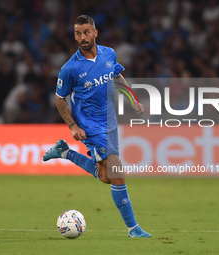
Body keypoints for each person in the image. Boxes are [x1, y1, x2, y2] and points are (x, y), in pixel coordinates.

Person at [43, 15, 151, 238]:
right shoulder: (70, 68)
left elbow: (117, 76)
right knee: (117, 172)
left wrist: (132, 99)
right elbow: (59, 99)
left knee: (105, 176)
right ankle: (133, 229)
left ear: (95, 33)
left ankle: (65, 152)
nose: (82, 37)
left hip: (110, 122)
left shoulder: (109, 54)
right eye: (78, 33)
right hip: (90, 126)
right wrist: (73, 125)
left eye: (86, 32)